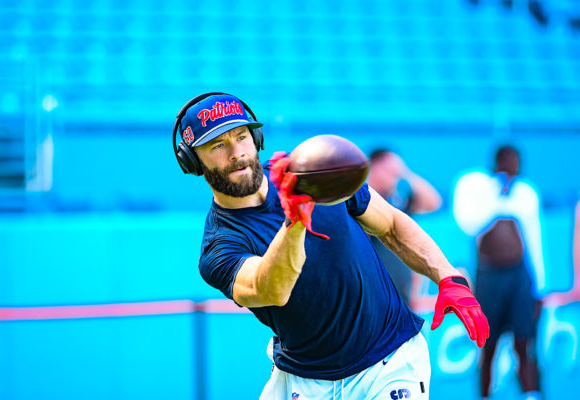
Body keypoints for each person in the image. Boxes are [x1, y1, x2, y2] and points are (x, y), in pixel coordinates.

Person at [173, 92, 489, 399]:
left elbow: (391, 225)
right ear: (193, 162)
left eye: (241, 136)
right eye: (217, 145)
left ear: (256, 139)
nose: (235, 152)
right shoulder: (220, 243)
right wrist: (296, 219)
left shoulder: (313, 173)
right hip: (304, 379)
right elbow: (270, 289)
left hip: (389, 361)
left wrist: (448, 277)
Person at [453, 145, 544, 400]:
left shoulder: (526, 194)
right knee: (487, 343)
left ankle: (531, 394)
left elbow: (534, 238)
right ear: (496, 163)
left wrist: (539, 286)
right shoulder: (478, 188)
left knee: (524, 341)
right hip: (489, 276)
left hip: (519, 276)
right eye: (507, 161)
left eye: (515, 162)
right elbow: (470, 225)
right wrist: (499, 195)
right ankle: (484, 395)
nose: (511, 167)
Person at [367, 150, 442, 305]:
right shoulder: (361, 202)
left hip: (400, 295)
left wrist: (405, 173)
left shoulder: (396, 202)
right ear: (375, 167)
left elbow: (433, 203)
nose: (394, 179)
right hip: (373, 293)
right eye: (390, 172)